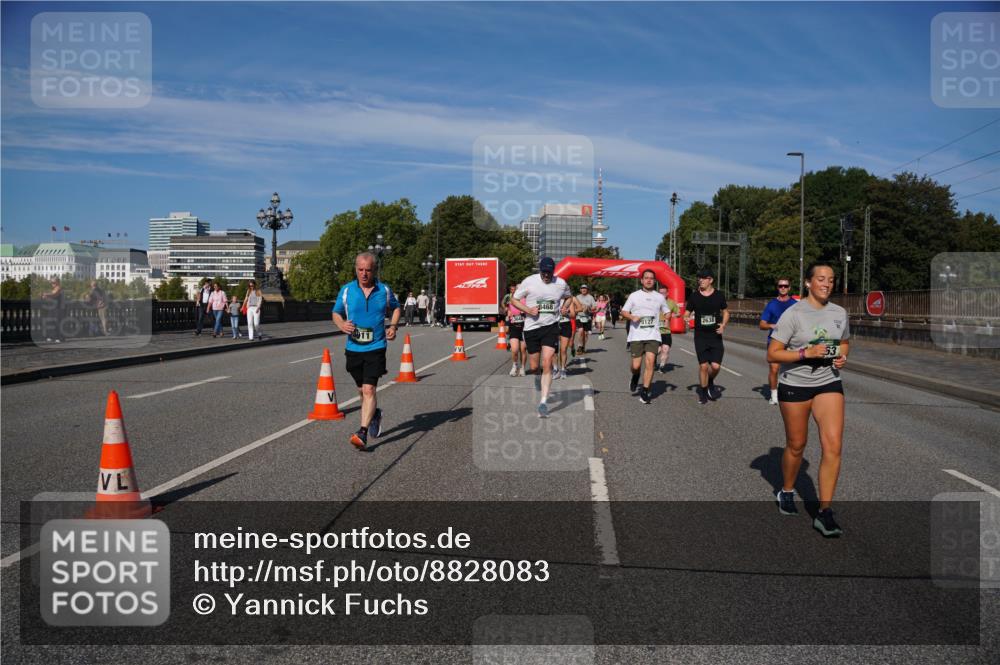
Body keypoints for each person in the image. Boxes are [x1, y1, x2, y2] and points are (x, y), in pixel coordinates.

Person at [767, 263, 850, 537]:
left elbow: (844, 341)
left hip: (828, 380)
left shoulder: (839, 313)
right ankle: (787, 490)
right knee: (796, 445)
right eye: (821, 279)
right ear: (808, 283)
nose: (826, 284)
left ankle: (825, 512)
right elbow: (773, 354)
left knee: (833, 445)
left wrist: (841, 356)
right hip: (795, 384)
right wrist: (805, 354)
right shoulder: (793, 314)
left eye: (831, 280)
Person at [332, 252, 401, 449]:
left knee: (370, 388)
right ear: (356, 269)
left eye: (368, 270)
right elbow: (336, 312)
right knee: (361, 390)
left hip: (376, 347)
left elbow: (396, 308)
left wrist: (393, 326)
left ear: (374, 270)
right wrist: (342, 324)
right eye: (360, 270)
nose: (364, 274)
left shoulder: (384, 290)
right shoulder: (346, 291)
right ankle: (374, 414)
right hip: (353, 348)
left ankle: (362, 432)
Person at [511, 256, 571, 417]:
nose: (546, 275)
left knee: (547, 362)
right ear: (540, 270)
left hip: (551, 327)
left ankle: (543, 402)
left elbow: (569, 297)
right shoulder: (529, 281)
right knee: (534, 366)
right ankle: (538, 379)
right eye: (544, 272)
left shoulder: (561, 283)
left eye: (549, 273)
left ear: (553, 271)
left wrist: (564, 308)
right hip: (532, 328)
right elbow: (514, 299)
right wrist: (528, 310)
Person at [621, 270, 673, 404]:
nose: (649, 280)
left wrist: (667, 317)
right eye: (646, 278)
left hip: (653, 335)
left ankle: (644, 391)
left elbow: (667, 312)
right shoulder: (634, 296)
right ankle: (635, 375)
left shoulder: (659, 297)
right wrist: (632, 317)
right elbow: (624, 311)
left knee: (650, 362)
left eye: (651, 278)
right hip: (637, 335)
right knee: (636, 365)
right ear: (642, 280)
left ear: (654, 281)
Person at [685, 268, 729, 404]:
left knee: (715, 366)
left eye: (703, 278)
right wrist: (686, 318)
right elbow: (686, 312)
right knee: (703, 366)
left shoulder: (719, 295)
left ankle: (710, 381)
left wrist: (723, 325)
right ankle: (703, 393)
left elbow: (726, 312)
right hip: (700, 336)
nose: (700, 280)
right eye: (699, 278)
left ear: (711, 280)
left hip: (715, 336)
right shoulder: (694, 296)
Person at [760, 278, 797, 405]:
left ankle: (791, 393)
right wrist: (771, 326)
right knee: (774, 369)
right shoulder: (771, 304)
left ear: (789, 288)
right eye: (780, 286)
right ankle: (774, 395)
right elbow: (762, 324)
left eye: (785, 286)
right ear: (777, 287)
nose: (783, 288)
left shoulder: (795, 304)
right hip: (775, 341)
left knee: (791, 370)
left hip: (791, 342)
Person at [503, 282, 527, 376]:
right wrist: (507, 323)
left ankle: (523, 368)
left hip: (524, 328)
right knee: (514, 349)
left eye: (519, 288)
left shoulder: (526, 300)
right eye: (517, 288)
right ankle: (514, 366)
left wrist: (524, 312)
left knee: (523, 349)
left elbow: (531, 312)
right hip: (514, 327)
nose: (518, 290)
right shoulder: (511, 300)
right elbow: (508, 313)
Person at [656, 286, 681, 373]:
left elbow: (678, 313)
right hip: (655, 332)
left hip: (666, 331)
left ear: (667, 293)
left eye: (663, 293)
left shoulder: (671, 303)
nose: (662, 295)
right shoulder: (654, 302)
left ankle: (662, 367)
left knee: (665, 349)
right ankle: (653, 360)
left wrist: (673, 315)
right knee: (657, 350)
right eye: (660, 293)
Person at [573, 284, 597, 354]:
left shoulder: (590, 297)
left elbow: (594, 307)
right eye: (582, 288)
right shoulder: (577, 297)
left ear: (587, 290)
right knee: (580, 331)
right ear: (580, 290)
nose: (583, 289)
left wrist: (588, 308)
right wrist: (579, 308)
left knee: (586, 334)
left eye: (585, 288)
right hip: (579, 317)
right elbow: (573, 306)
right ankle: (579, 346)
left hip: (587, 317)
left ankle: (583, 346)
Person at [41, 276, 65, 342]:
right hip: (53, 308)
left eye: (53, 282)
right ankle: (52, 336)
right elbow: (52, 297)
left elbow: (55, 295)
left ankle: (59, 337)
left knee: (58, 323)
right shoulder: (54, 289)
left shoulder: (59, 288)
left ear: (57, 282)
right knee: (51, 322)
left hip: (58, 308)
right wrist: (46, 297)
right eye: (51, 282)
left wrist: (46, 294)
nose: (52, 284)